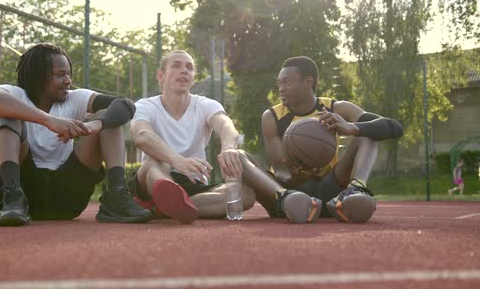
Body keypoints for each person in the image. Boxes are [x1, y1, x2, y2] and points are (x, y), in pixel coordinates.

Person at [0, 43, 153, 226]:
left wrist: (96, 124)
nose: (68, 80)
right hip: (22, 197)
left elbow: (125, 104)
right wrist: (49, 120)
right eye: (60, 74)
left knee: (108, 116)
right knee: (6, 115)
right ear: (39, 76)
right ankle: (12, 193)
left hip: (68, 197)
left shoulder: (74, 98)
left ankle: (117, 195)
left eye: (69, 73)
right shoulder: (15, 94)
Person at [240, 56, 404, 223]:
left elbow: (395, 127)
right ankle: (286, 199)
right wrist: (295, 174)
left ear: (308, 82)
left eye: (287, 82)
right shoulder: (272, 117)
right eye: (279, 83)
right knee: (238, 156)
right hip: (289, 189)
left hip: (328, 187)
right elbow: (281, 171)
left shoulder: (336, 108)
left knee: (368, 130)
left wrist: (352, 127)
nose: (281, 88)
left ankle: (356, 189)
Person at [129, 50, 256, 223]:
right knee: (154, 162)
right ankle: (166, 197)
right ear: (161, 75)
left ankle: (167, 206)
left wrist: (228, 148)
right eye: (176, 65)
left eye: (189, 67)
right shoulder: (145, 106)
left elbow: (225, 125)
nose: (184, 70)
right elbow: (142, 136)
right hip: (153, 179)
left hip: (193, 185)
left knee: (245, 194)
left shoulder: (205, 105)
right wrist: (176, 159)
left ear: (193, 78)